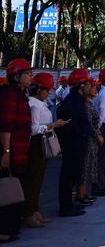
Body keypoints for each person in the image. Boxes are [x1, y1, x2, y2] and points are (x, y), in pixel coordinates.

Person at [22, 73, 67, 228]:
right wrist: (51, 126)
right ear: (39, 90)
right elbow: (33, 128)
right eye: (46, 90)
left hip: (42, 142)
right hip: (36, 143)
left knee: (39, 178)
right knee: (33, 178)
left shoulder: (41, 103)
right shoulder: (33, 105)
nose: (48, 93)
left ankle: (34, 210)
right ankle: (28, 213)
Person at [0, 58, 33, 241]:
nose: (30, 77)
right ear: (17, 76)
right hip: (10, 151)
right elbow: (6, 125)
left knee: (14, 187)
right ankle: (3, 228)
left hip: (19, 151)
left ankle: (12, 226)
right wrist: (6, 152)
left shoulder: (20, 94)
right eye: (27, 74)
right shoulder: (10, 95)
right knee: (6, 189)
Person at [55, 68, 92, 217]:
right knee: (68, 175)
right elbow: (70, 124)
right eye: (88, 83)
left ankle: (69, 204)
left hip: (77, 142)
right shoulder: (72, 101)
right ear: (81, 85)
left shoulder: (77, 100)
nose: (90, 86)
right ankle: (65, 207)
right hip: (73, 144)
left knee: (72, 174)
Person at [77, 79, 102, 206]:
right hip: (89, 139)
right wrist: (97, 136)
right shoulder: (86, 105)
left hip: (93, 139)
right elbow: (89, 124)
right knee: (85, 167)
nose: (95, 90)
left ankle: (85, 192)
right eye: (93, 87)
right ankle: (81, 194)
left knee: (90, 165)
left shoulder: (90, 103)